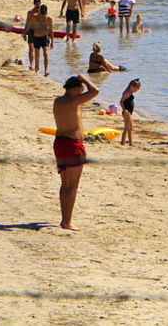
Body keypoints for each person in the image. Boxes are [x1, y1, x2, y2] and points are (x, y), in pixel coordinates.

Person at [53, 74, 100, 230]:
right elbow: (95, 91)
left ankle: (64, 219)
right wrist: (85, 78)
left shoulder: (58, 101)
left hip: (59, 143)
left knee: (65, 184)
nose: (82, 94)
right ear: (74, 90)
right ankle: (67, 221)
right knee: (72, 186)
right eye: (80, 90)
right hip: (72, 144)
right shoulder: (73, 101)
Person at [27, 4, 54, 76]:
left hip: (45, 37)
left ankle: (46, 70)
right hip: (36, 37)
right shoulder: (35, 17)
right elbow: (30, 25)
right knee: (37, 54)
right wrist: (27, 33)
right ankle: (37, 68)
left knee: (46, 53)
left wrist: (52, 41)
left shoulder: (49, 18)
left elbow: (51, 30)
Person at [119, 78, 141, 146]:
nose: (136, 91)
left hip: (130, 112)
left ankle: (131, 142)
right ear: (131, 87)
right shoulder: (126, 93)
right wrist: (124, 109)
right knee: (126, 127)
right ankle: (122, 142)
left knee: (130, 127)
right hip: (126, 112)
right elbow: (121, 101)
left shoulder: (130, 92)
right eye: (135, 89)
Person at [23, 0, 42, 67]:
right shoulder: (30, 12)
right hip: (31, 30)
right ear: (34, 4)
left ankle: (37, 66)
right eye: (36, 4)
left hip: (39, 31)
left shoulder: (42, 11)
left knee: (37, 49)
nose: (37, 5)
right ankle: (31, 64)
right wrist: (24, 32)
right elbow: (27, 22)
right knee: (31, 48)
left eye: (38, 3)